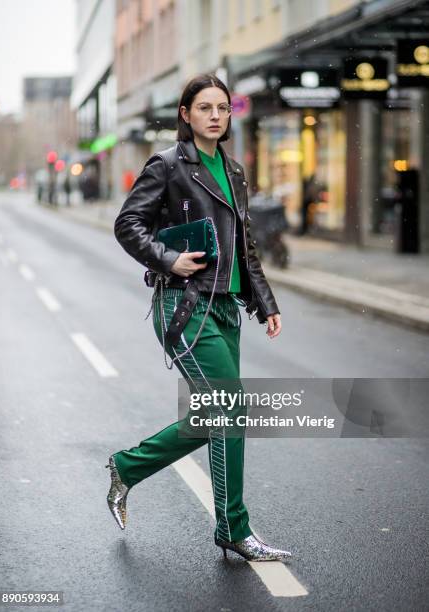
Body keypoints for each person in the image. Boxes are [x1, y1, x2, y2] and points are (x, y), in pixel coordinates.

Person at [106, 73, 291, 562]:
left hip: (226, 308)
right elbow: (128, 224)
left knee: (215, 415)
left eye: (223, 108)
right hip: (185, 307)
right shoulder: (168, 165)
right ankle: (234, 528)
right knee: (230, 411)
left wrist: (265, 303)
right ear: (185, 115)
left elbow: (245, 245)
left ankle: (128, 466)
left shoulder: (234, 171)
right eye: (204, 107)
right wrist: (168, 259)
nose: (215, 115)